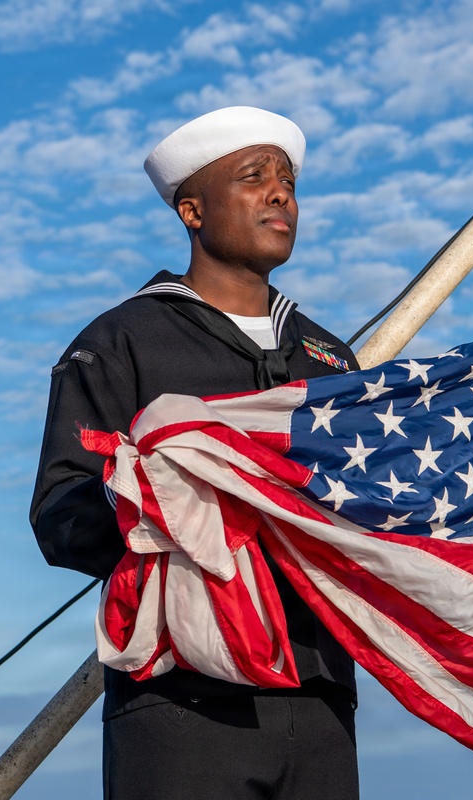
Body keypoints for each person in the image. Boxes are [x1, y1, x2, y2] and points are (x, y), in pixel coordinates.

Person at [30, 106, 360, 800]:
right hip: (184, 705)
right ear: (193, 210)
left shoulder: (330, 358)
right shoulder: (123, 341)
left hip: (321, 698)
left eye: (288, 181)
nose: (280, 194)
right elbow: (61, 513)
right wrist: (168, 501)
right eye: (254, 177)